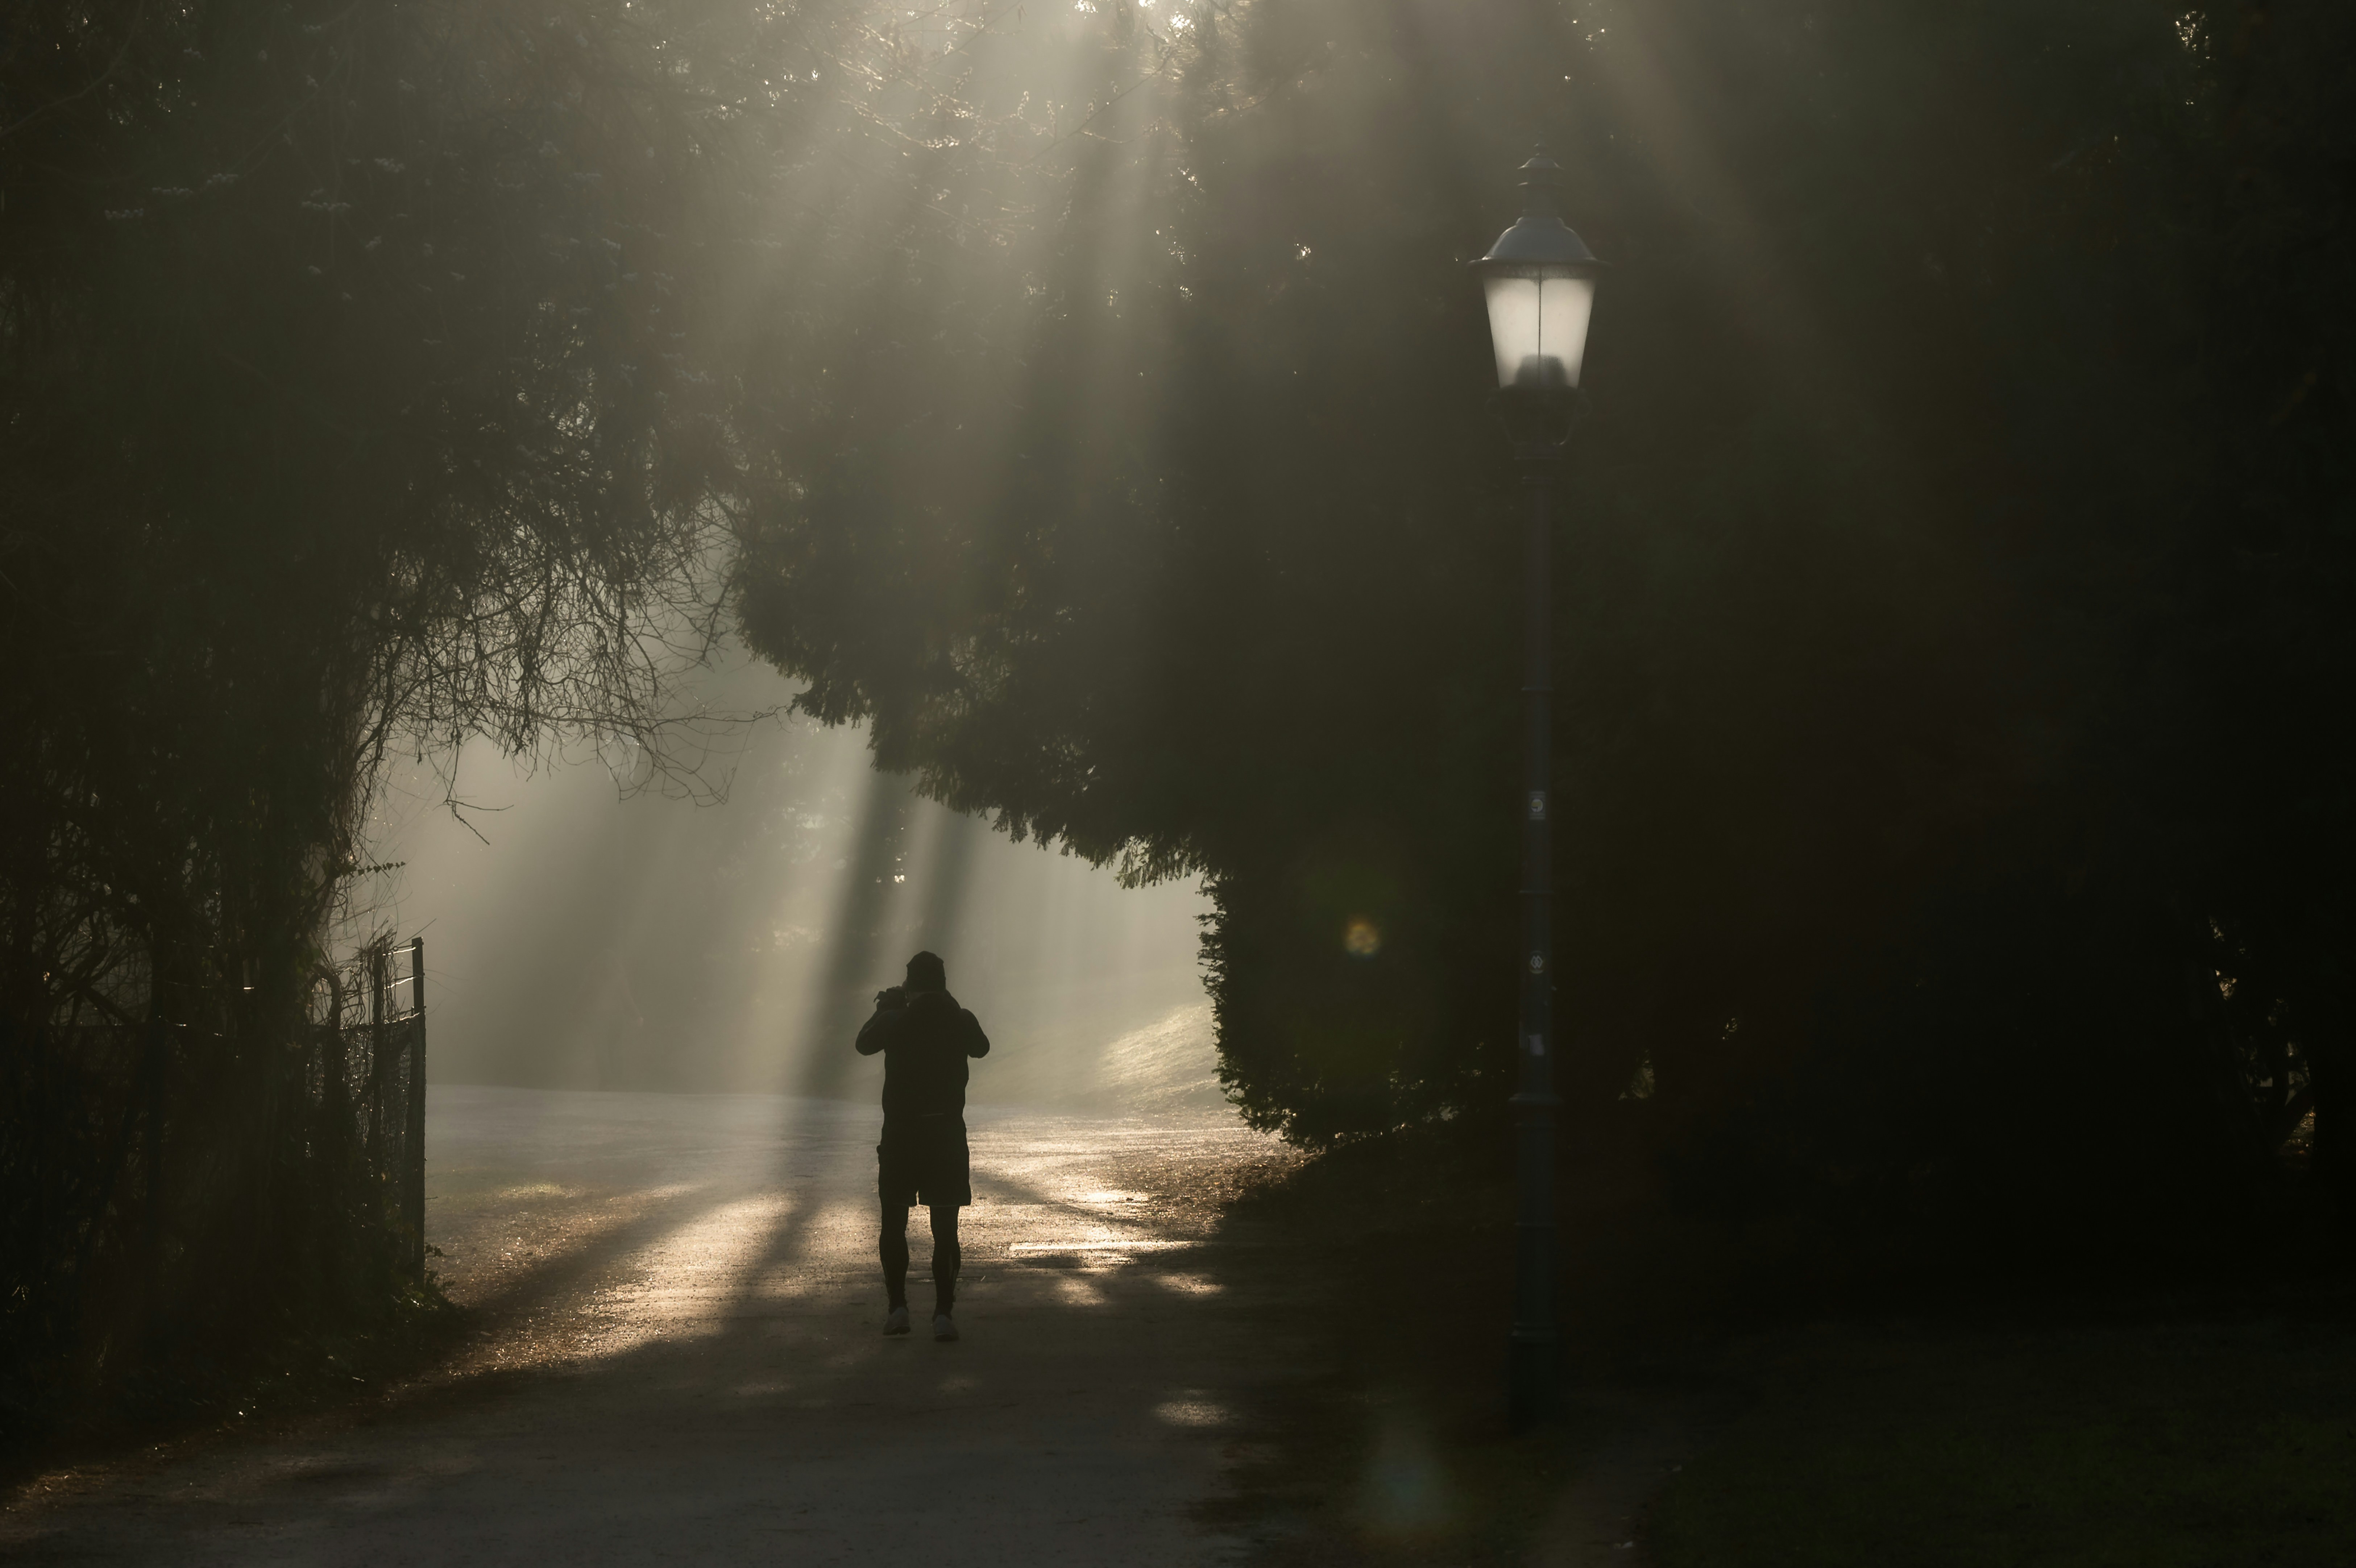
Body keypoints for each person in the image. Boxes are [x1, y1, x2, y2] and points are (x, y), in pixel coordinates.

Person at [855, 950, 990, 1341]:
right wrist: (951, 1007)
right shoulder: (958, 1017)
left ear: (910, 985)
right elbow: (980, 1047)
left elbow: (863, 1044)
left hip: (901, 1136)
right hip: (946, 1134)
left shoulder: (897, 1019)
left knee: (894, 1222)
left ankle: (898, 1308)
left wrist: (886, 1007)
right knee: (945, 1230)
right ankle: (943, 1313)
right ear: (944, 983)